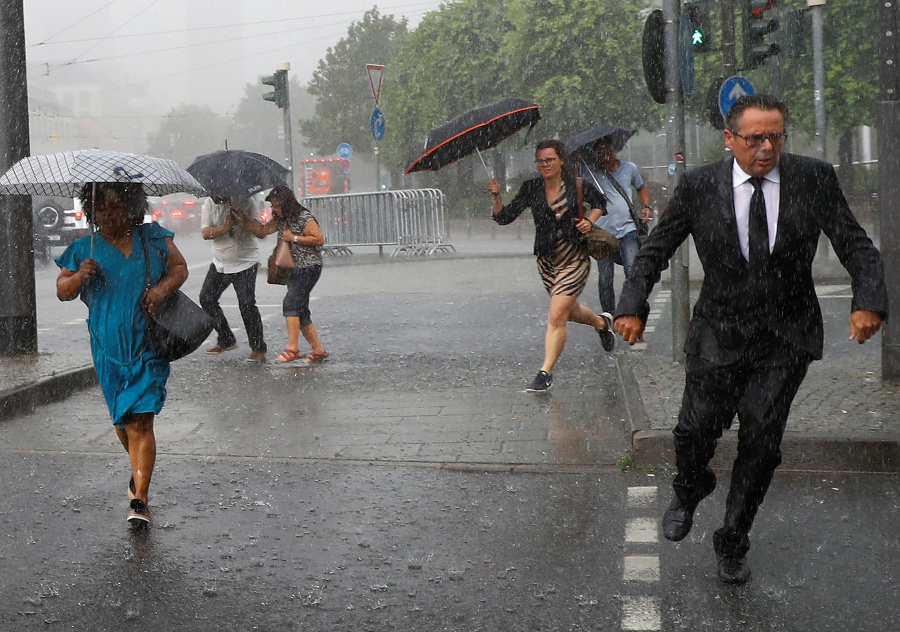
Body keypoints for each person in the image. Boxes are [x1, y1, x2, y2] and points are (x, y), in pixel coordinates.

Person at [614, 94, 888, 584]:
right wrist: (631, 304)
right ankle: (691, 485)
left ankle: (733, 539)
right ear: (729, 139)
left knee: (761, 439)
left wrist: (868, 300)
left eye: (775, 136)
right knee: (694, 431)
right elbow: (655, 249)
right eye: (755, 138)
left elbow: (856, 244)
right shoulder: (700, 186)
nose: (766, 147)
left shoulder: (813, 178)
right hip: (718, 331)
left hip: (785, 335)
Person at [56, 182, 190, 525]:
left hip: (147, 343)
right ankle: (138, 468)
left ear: (131, 207)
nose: (107, 215)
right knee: (122, 420)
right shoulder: (83, 249)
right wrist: (79, 276)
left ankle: (140, 500)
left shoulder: (153, 238)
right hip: (107, 351)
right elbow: (62, 291)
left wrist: (160, 290)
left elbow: (179, 269)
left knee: (142, 419)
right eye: (100, 209)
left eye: (115, 207)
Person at [487, 139, 616, 393]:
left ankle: (545, 373)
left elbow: (601, 202)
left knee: (556, 315)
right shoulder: (531, 188)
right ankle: (602, 323)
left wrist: (589, 221)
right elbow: (504, 217)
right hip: (547, 260)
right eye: (541, 161)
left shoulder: (576, 185)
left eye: (550, 160)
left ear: (561, 161)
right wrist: (497, 197)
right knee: (567, 311)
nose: (545, 165)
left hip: (575, 256)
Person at [242, 185, 328, 363]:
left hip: (309, 266)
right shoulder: (280, 219)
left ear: (287, 203)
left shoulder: (303, 217)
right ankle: (318, 350)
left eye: (277, 206)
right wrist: (243, 220)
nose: (274, 210)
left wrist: (294, 238)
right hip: (292, 267)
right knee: (300, 310)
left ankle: (292, 348)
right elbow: (264, 231)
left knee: (291, 303)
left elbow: (319, 239)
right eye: (272, 206)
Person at [576, 137, 652, 314]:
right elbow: (577, 190)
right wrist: (578, 163)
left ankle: (631, 311)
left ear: (616, 150)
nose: (606, 157)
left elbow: (641, 188)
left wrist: (646, 206)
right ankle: (609, 316)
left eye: (609, 152)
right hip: (601, 234)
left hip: (628, 230)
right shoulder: (590, 173)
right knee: (605, 279)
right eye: (601, 153)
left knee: (631, 272)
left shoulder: (629, 168)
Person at [199, 195, 268, 362]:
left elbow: (261, 233)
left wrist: (243, 221)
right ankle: (226, 338)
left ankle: (258, 348)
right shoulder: (208, 203)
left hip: (245, 261)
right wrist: (225, 226)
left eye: (217, 195)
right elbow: (206, 233)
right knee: (206, 298)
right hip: (220, 262)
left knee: (246, 304)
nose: (214, 198)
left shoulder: (247, 201)